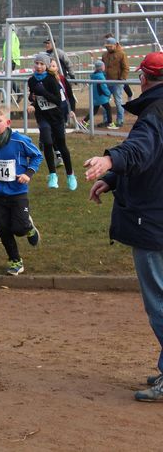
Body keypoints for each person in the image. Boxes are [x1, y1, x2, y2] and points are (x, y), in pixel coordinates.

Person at [84, 51, 163, 402]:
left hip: (153, 221)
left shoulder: (154, 113)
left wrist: (109, 161)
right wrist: (114, 178)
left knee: (159, 302)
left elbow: (140, 151)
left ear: (143, 79)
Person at [0, 103, 43, 276]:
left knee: (19, 228)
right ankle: (15, 261)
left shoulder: (19, 140)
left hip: (18, 192)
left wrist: (28, 173)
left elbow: (37, 156)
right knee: (3, 229)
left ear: (8, 122)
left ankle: (28, 227)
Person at [26, 53, 77, 191]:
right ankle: (53, 175)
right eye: (37, 63)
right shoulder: (31, 80)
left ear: (47, 66)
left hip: (56, 116)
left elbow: (57, 101)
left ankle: (70, 175)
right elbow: (34, 96)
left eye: (42, 64)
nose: (39, 66)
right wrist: (32, 100)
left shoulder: (52, 79)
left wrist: (43, 92)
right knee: (47, 142)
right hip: (42, 116)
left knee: (61, 146)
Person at [102, 37, 129, 127]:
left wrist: (122, 79)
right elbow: (102, 67)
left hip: (117, 82)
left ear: (115, 45)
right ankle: (106, 120)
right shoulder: (104, 55)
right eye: (107, 46)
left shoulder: (122, 54)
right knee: (105, 102)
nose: (108, 48)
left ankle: (120, 120)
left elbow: (126, 68)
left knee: (118, 101)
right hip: (106, 82)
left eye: (110, 46)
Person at [88, 60, 114, 128]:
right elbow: (104, 87)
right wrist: (108, 93)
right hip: (101, 96)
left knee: (94, 111)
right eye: (103, 65)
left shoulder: (93, 75)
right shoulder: (100, 76)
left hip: (96, 96)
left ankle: (84, 121)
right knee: (108, 108)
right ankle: (110, 123)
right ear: (101, 67)